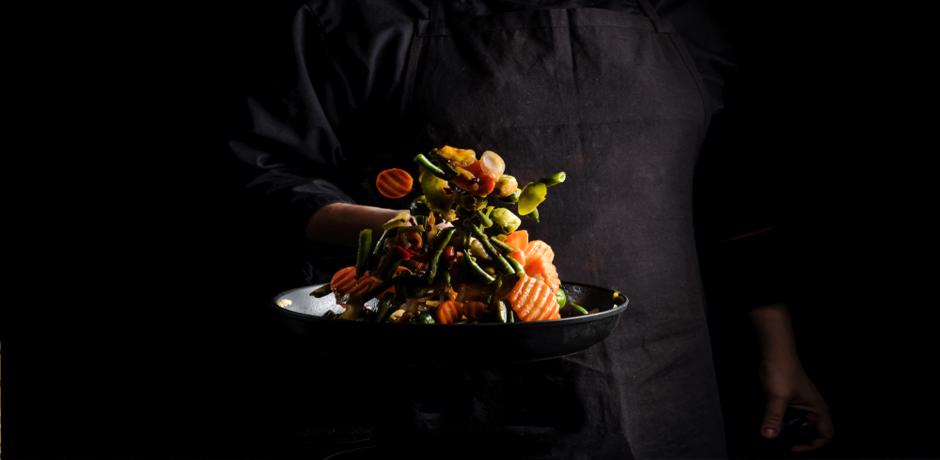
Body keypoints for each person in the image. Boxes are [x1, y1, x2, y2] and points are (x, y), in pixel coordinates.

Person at [229, 0, 832, 457]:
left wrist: (775, 339)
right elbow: (265, 171)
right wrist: (408, 228)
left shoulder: (693, 18)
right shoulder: (360, 20)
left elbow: (732, 189)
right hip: (448, 392)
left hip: (670, 385)